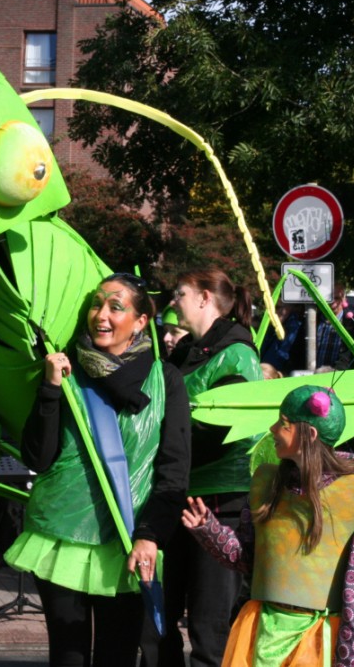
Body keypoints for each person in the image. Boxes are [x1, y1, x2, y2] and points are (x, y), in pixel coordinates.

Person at [3, 273, 191, 667]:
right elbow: (37, 458)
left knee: (117, 656)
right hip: (60, 537)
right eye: (96, 304)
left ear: (141, 321)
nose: (101, 315)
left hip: (128, 538)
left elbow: (174, 469)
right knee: (67, 657)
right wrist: (51, 389)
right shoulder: (65, 369)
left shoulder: (166, 379)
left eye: (115, 307)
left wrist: (151, 535)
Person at [182, 385, 354, 666]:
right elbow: (249, 559)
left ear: (309, 434)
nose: (273, 428)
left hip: (319, 643)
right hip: (265, 634)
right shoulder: (269, 486)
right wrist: (209, 529)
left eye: (283, 422)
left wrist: (350, 659)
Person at [141, 269, 263, 667]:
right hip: (179, 495)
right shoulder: (184, 351)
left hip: (219, 504)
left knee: (210, 631)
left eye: (180, 294)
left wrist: (169, 443)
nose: (173, 301)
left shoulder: (237, 352)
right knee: (158, 621)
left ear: (205, 298)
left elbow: (230, 431)